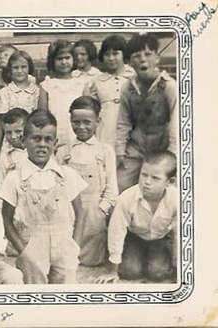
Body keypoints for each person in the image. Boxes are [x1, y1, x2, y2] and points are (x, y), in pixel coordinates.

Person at [0, 110, 87, 284]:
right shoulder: (15, 178)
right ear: (24, 141)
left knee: (65, 293)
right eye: (36, 138)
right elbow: (6, 220)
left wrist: (74, 246)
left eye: (48, 139)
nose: (42, 144)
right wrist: (24, 252)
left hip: (64, 246)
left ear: (55, 143)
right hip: (32, 246)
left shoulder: (67, 175)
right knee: (35, 293)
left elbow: (81, 213)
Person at [96, 151, 178, 283]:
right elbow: (116, 232)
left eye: (155, 178)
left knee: (158, 273)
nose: (147, 182)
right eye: (144, 175)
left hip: (160, 239)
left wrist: (177, 265)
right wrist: (113, 271)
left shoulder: (176, 199)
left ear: (170, 182)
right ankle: (135, 257)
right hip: (134, 237)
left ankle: (155, 259)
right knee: (130, 271)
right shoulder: (126, 198)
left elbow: (179, 235)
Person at [56, 96, 118, 266]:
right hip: (69, 212)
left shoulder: (105, 151)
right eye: (76, 122)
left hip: (94, 214)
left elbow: (112, 187)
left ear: (98, 121)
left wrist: (102, 210)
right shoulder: (63, 151)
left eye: (87, 122)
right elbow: (57, 184)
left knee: (92, 263)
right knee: (66, 260)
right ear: (70, 121)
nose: (81, 127)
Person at [115, 33, 177, 192]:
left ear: (157, 58)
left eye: (148, 54)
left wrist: (172, 154)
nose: (143, 59)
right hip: (136, 148)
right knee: (119, 184)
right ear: (129, 62)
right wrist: (120, 150)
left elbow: (177, 124)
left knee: (162, 189)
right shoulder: (127, 88)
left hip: (162, 148)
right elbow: (123, 121)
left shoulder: (169, 86)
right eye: (136, 56)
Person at [83, 35, 135, 149]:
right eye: (107, 54)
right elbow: (89, 112)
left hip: (130, 130)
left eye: (115, 53)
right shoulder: (95, 82)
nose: (111, 58)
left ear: (123, 54)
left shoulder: (134, 78)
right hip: (105, 130)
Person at [41, 40, 85, 147]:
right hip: (55, 136)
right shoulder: (46, 86)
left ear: (73, 59)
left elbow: (87, 112)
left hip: (77, 134)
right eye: (59, 59)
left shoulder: (82, 84)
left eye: (67, 58)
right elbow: (42, 115)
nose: (64, 62)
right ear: (52, 61)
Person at [0, 107, 28, 204]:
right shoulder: (5, 156)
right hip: (14, 205)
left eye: (18, 131)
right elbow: (1, 186)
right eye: (8, 133)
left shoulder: (34, 151)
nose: (13, 137)